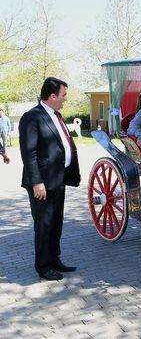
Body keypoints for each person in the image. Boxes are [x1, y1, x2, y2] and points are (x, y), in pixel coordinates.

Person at [19, 77, 80, 281]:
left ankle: (55, 260)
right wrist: (37, 182)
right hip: (42, 183)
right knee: (44, 225)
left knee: (56, 223)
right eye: (63, 95)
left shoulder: (57, 115)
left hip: (58, 179)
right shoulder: (32, 117)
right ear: (52, 96)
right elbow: (29, 153)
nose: (65, 99)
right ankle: (43, 267)